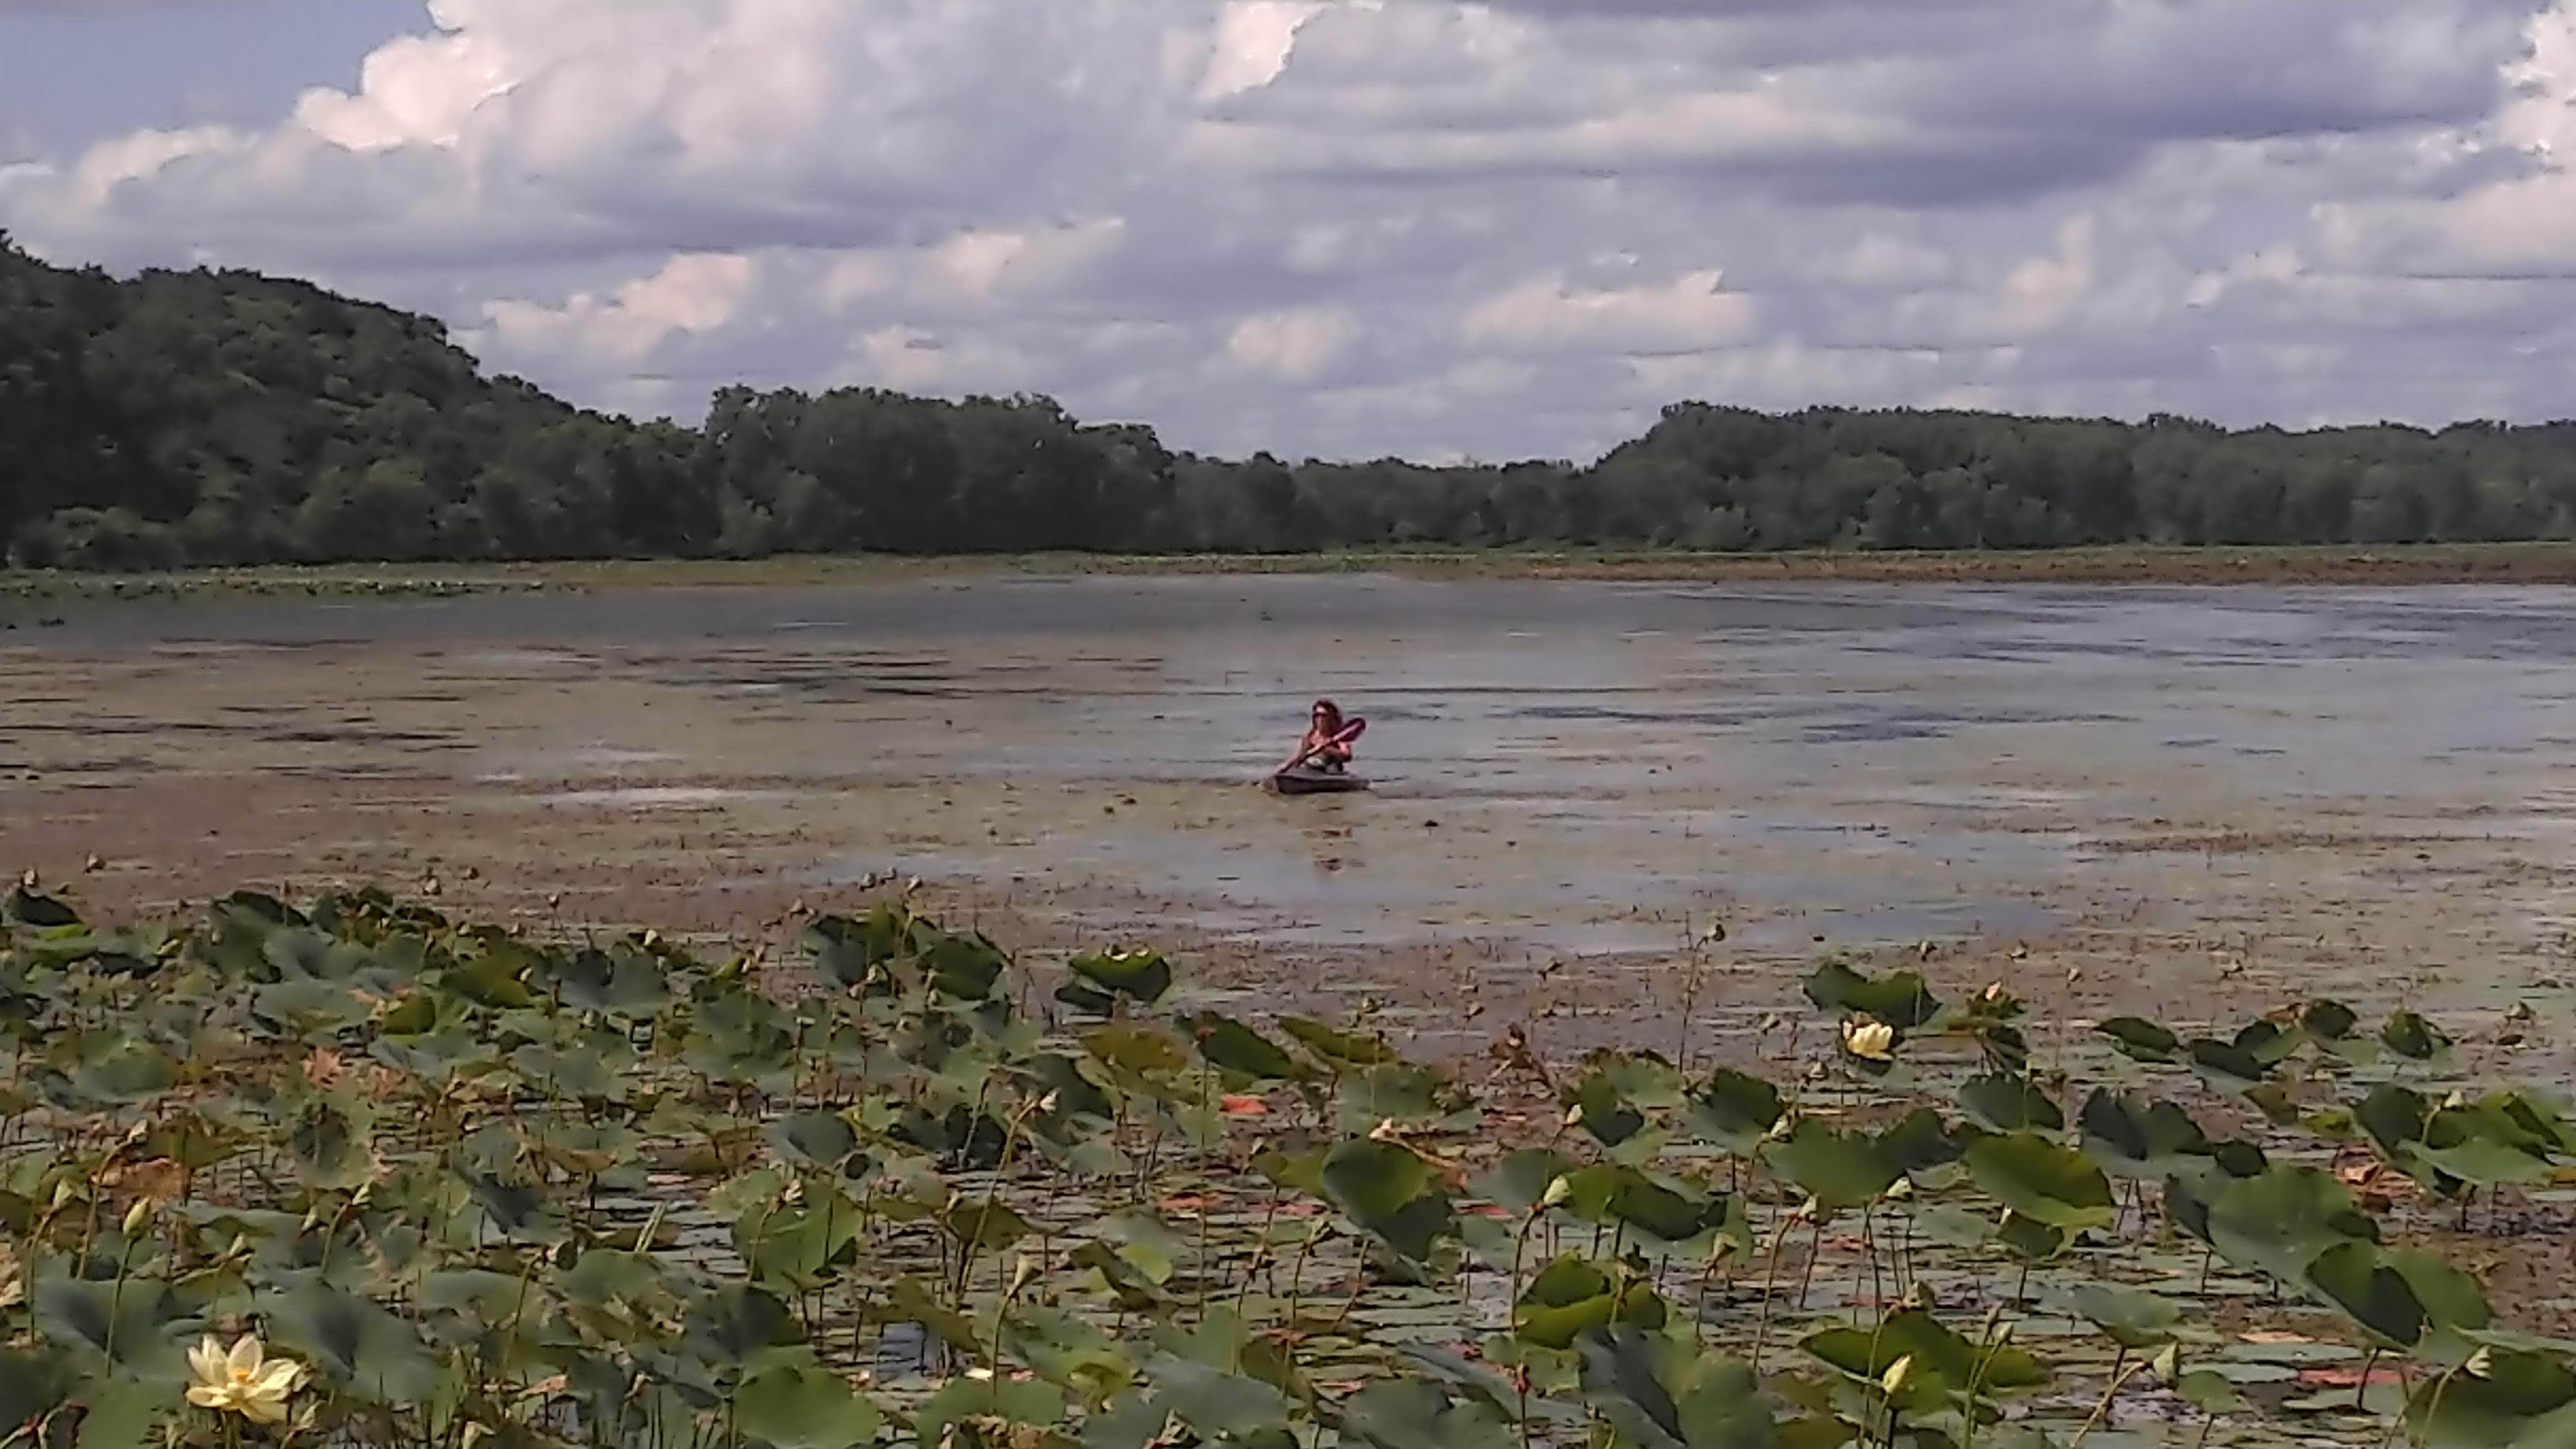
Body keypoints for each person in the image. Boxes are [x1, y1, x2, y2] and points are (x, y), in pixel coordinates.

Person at [1299, 698, 1353, 773]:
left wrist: (1327, 749)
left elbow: (1347, 756)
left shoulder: (1340, 737)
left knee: (1331, 767)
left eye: (1323, 715)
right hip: (1310, 771)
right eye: (1317, 715)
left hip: (1331, 772)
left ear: (1331, 717)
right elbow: (1300, 758)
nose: (1320, 719)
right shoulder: (1309, 736)